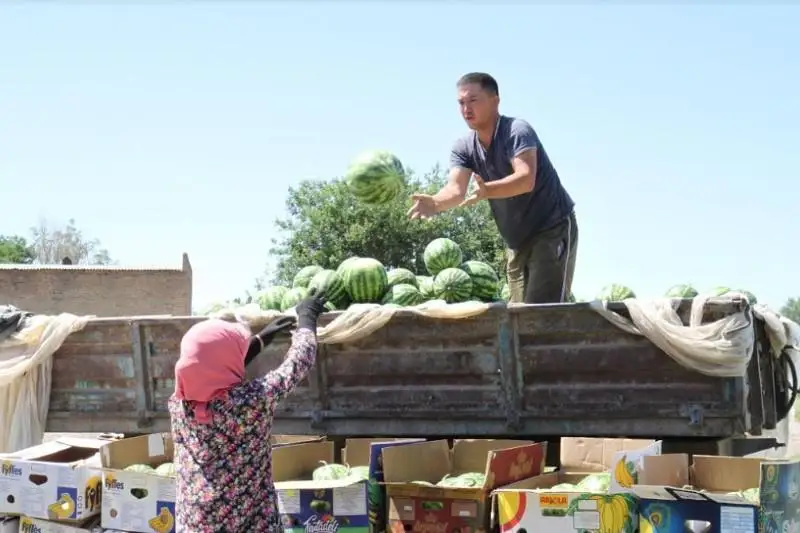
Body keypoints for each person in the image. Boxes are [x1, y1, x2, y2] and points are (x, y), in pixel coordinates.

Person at [408, 72, 578, 304]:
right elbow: (455, 191)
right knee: (518, 313)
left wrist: (487, 190)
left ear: (495, 100)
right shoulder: (464, 147)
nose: (466, 108)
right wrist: (436, 203)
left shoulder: (516, 131)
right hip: (517, 241)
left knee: (543, 310)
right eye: (461, 103)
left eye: (473, 100)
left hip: (551, 227)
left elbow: (526, 179)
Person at [169, 289, 327, 532]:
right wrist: (307, 317)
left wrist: (260, 340)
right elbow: (299, 362)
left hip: (195, 521)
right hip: (250, 521)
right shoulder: (252, 401)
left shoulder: (179, 405)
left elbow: (209, 367)